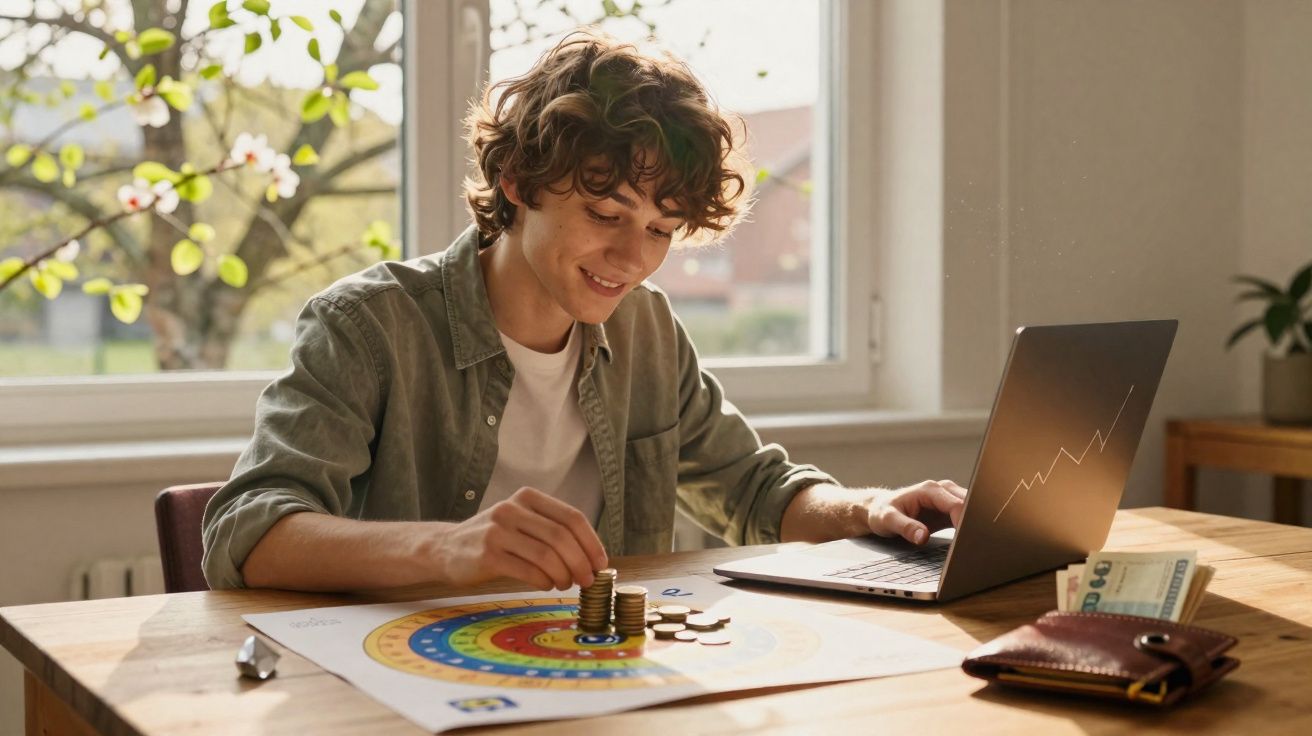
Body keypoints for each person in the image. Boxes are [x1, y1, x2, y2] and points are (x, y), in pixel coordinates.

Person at [201, 30, 966, 593]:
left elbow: (755, 491)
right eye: (606, 212)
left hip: (593, 677)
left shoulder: (647, 328)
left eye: (662, 231)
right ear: (516, 179)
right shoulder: (368, 327)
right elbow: (248, 529)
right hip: (400, 685)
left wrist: (866, 510)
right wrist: (450, 551)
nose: (634, 260)